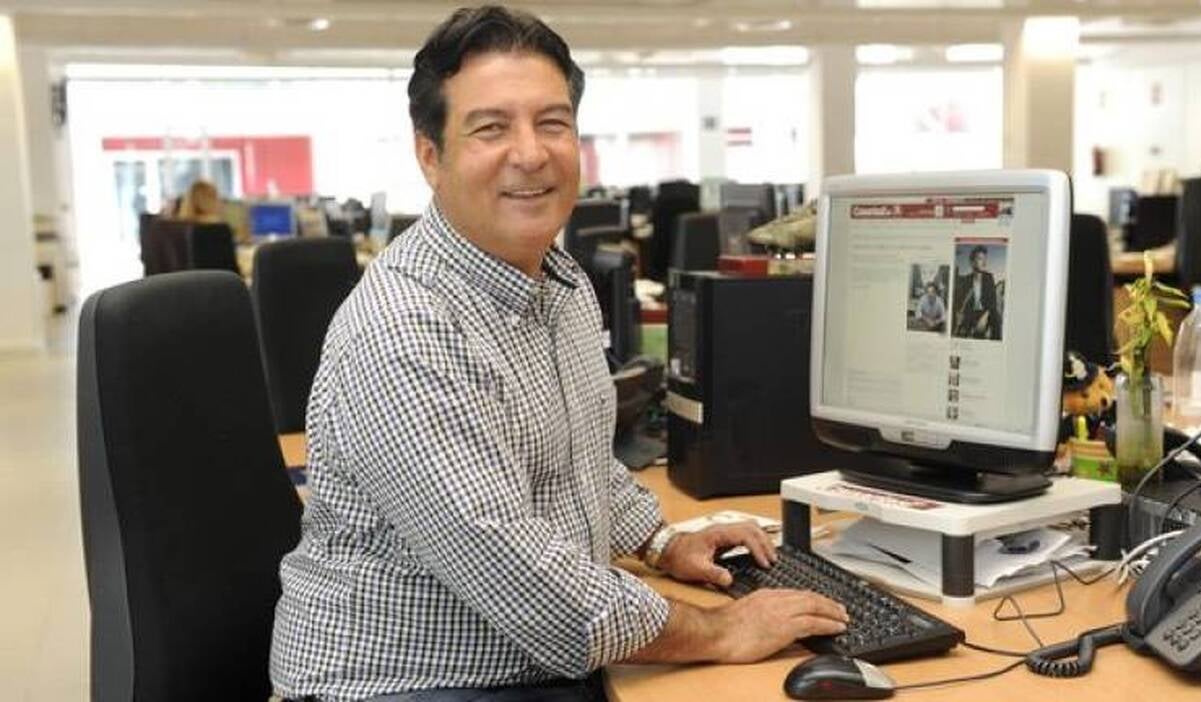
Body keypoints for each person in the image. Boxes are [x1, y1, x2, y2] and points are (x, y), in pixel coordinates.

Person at [269, 6, 848, 701]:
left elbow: (576, 460)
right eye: (491, 128)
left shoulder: (558, 283)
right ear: (431, 156)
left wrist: (662, 543)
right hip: (409, 684)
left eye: (552, 123)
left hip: (525, 665)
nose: (531, 153)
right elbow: (519, 579)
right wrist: (721, 630)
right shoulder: (405, 327)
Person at [953, 245, 1001, 339]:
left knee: (995, 317)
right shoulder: (966, 280)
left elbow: (993, 302)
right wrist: (958, 314)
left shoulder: (989, 277)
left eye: (985, 259)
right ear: (972, 262)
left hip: (986, 312)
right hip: (971, 313)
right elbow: (960, 301)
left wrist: (984, 317)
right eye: (980, 259)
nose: (984, 262)